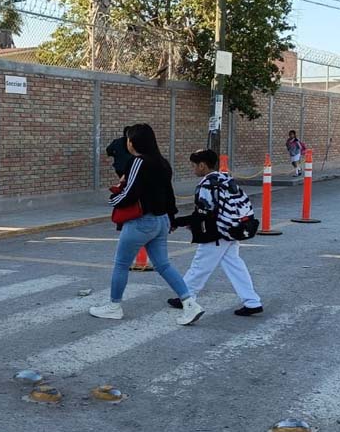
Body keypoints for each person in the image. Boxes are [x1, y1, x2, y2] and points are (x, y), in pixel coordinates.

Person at [89, 123, 203, 326]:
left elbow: (130, 191)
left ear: (134, 142)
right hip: (161, 220)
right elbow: (169, 193)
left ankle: (114, 306)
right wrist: (172, 217)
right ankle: (189, 303)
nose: (128, 143)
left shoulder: (138, 162)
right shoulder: (162, 163)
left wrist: (112, 200)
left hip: (141, 222)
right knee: (164, 264)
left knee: (121, 264)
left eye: (129, 139)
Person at [169, 150, 263, 317]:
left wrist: (176, 222)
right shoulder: (225, 178)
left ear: (202, 165)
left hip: (216, 233)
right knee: (235, 266)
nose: (193, 169)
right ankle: (252, 301)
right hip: (232, 230)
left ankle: (186, 297)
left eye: (194, 166)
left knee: (200, 266)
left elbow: (203, 213)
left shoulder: (206, 184)